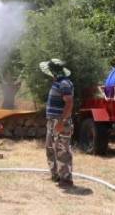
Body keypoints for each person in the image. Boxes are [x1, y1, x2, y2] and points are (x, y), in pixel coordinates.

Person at [40, 58, 75, 188]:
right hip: (52, 122)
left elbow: (69, 103)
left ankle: (66, 179)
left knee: (62, 150)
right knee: (50, 148)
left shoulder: (65, 83)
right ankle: (56, 175)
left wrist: (62, 122)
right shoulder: (58, 83)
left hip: (60, 122)